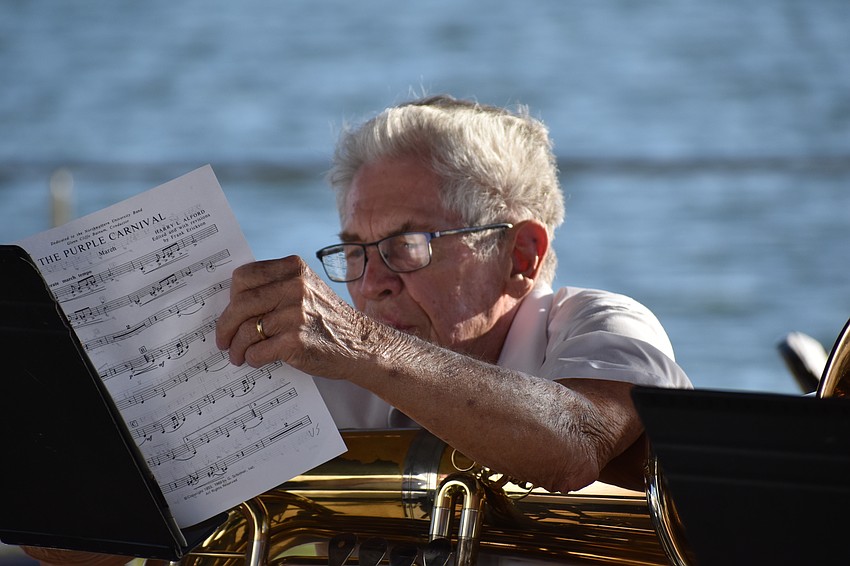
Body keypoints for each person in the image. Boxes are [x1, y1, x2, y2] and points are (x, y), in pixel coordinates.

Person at [23, 94, 690, 565]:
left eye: (409, 244)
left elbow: (575, 443)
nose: (370, 282)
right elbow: (72, 548)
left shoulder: (601, 324)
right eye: (354, 250)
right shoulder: (322, 370)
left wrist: (359, 346)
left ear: (521, 257)